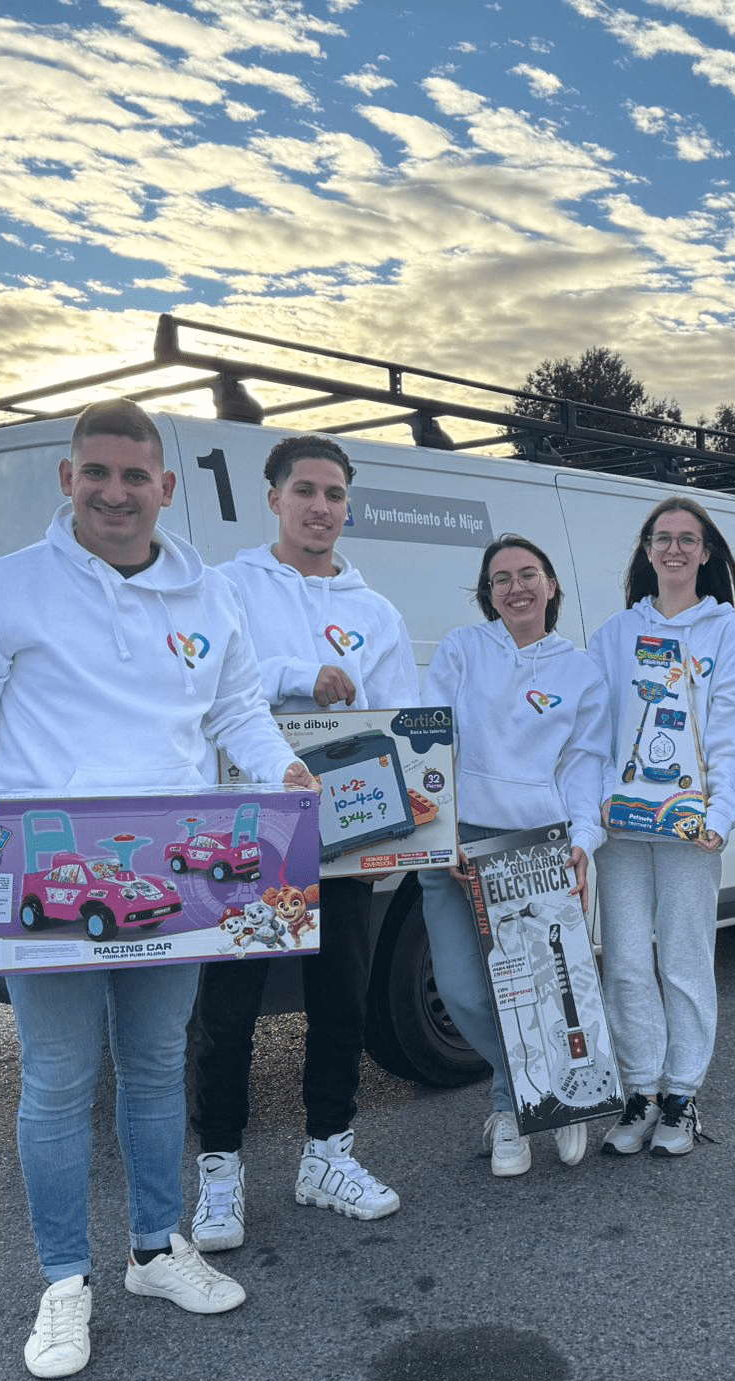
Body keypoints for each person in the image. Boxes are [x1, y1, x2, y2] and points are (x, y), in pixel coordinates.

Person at [0, 400, 316, 1378]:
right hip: (47, 873)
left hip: (177, 877)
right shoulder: (1, 592)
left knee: (157, 1065)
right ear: (68, 479)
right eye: (97, 473)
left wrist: (283, 769)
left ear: (164, 487)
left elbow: (239, 713)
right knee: (57, 1080)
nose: (115, 493)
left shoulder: (209, 598)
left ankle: (155, 1250)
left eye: (134, 477)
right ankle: (63, 1282)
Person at [187, 435, 417, 1246]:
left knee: (340, 999)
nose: (321, 507)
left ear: (349, 504)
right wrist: (298, 674)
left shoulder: (376, 611)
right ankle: (220, 1169)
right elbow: (209, 688)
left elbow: (399, 726)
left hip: (345, 833)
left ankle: (328, 1154)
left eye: (334, 494)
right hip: (247, 833)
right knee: (229, 1011)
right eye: (305, 491)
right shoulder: (227, 587)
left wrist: (401, 833)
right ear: (274, 498)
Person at [418, 535, 609, 1176]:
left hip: (537, 849)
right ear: (488, 593)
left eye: (529, 574)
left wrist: (583, 841)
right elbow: (431, 741)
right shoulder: (462, 649)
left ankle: (514, 1109)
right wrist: (440, 829)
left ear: (551, 585)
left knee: (538, 994)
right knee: (464, 993)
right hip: (458, 843)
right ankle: (544, 1088)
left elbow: (584, 766)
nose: (516, 587)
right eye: (501, 579)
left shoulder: (580, 671)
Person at [588, 496, 735, 1157]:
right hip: (623, 830)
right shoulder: (615, 635)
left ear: (706, 552)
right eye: (662, 538)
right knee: (626, 963)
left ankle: (682, 1095)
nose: (674, 549)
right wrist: (595, 805)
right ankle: (640, 1091)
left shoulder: (727, 634)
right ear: (647, 550)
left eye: (688, 539)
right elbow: (591, 730)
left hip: (692, 829)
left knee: (685, 962)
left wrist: (721, 811)